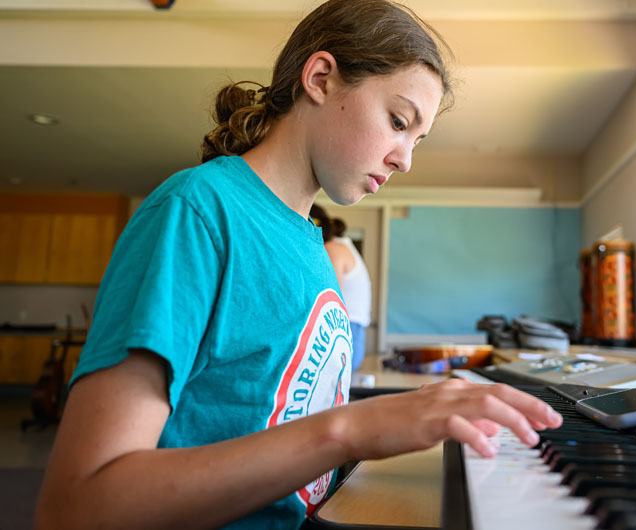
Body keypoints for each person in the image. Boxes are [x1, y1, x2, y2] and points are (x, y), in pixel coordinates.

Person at [34, 1, 563, 529]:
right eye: (399, 121)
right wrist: (348, 429)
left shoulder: (312, 246)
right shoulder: (197, 212)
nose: (406, 158)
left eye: (417, 140)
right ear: (321, 78)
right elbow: (78, 507)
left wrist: (406, 414)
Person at [310, 205, 372, 372]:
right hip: (353, 334)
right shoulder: (343, 247)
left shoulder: (332, 249)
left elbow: (328, 298)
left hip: (344, 332)